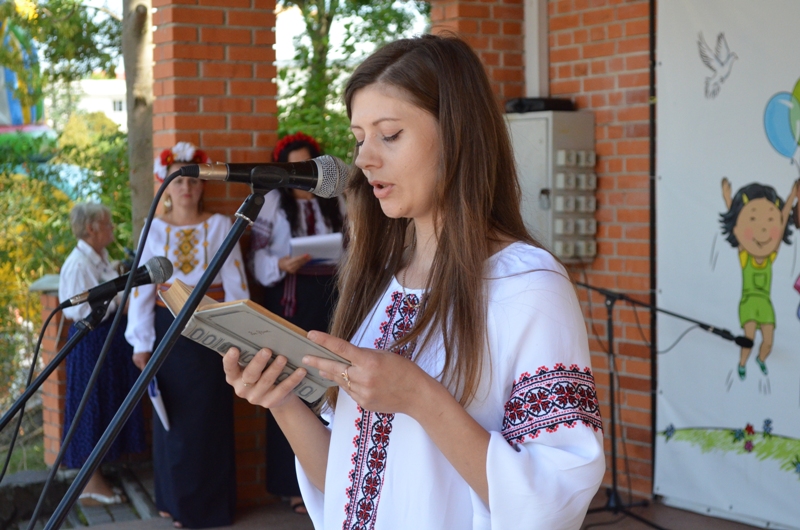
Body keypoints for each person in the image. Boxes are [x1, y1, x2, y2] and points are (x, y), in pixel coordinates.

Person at [223, 34, 605, 530]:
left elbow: (555, 499)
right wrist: (281, 399)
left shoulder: (526, 285)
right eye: (359, 138)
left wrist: (420, 397)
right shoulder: (381, 282)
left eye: (389, 134)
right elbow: (344, 483)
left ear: (457, 135)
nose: (364, 159)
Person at [125, 142, 250, 528]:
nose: (186, 187)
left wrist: (239, 336)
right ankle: (175, 504)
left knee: (209, 418)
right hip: (168, 332)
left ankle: (213, 508)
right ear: (166, 185)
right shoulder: (154, 229)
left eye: (193, 180)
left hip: (211, 330)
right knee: (174, 420)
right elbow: (142, 290)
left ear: (202, 185)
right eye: (178, 180)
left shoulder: (221, 225)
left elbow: (236, 282)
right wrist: (141, 342)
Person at [248, 132, 345, 514]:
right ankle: (292, 486)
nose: (303, 178)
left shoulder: (336, 201)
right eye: (296, 171)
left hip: (331, 300)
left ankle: (334, 480)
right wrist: (281, 264)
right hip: (290, 301)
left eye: (309, 168)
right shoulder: (274, 203)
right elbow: (256, 258)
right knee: (288, 382)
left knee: (330, 384)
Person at [58, 203, 145, 506]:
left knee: (106, 404)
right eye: (107, 223)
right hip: (91, 342)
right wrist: (121, 301)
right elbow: (80, 310)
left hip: (106, 342)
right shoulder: (78, 265)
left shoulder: (100, 257)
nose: (112, 228)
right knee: (90, 406)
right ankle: (89, 485)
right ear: (91, 228)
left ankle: (99, 476)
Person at [720, 178, 798, 380]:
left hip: (765, 305)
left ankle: (761, 359)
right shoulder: (745, 256)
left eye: (769, 221)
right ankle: (742, 363)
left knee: (769, 342)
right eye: (754, 220)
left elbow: (782, 223)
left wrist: (792, 195)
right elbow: (738, 220)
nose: (762, 230)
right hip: (748, 303)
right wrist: (728, 198)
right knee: (748, 338)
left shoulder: (770, 257)